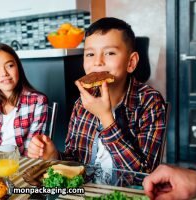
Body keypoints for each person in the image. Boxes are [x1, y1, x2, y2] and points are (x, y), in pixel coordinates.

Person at [28, 17, 166, 174]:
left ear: (131, 62)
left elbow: (145, 176)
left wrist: (106, 118)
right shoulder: (82, 103)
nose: (98, 62)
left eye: (109, 53)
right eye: (90, 54)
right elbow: (76, 162)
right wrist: (54, 156)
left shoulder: (150, 102)